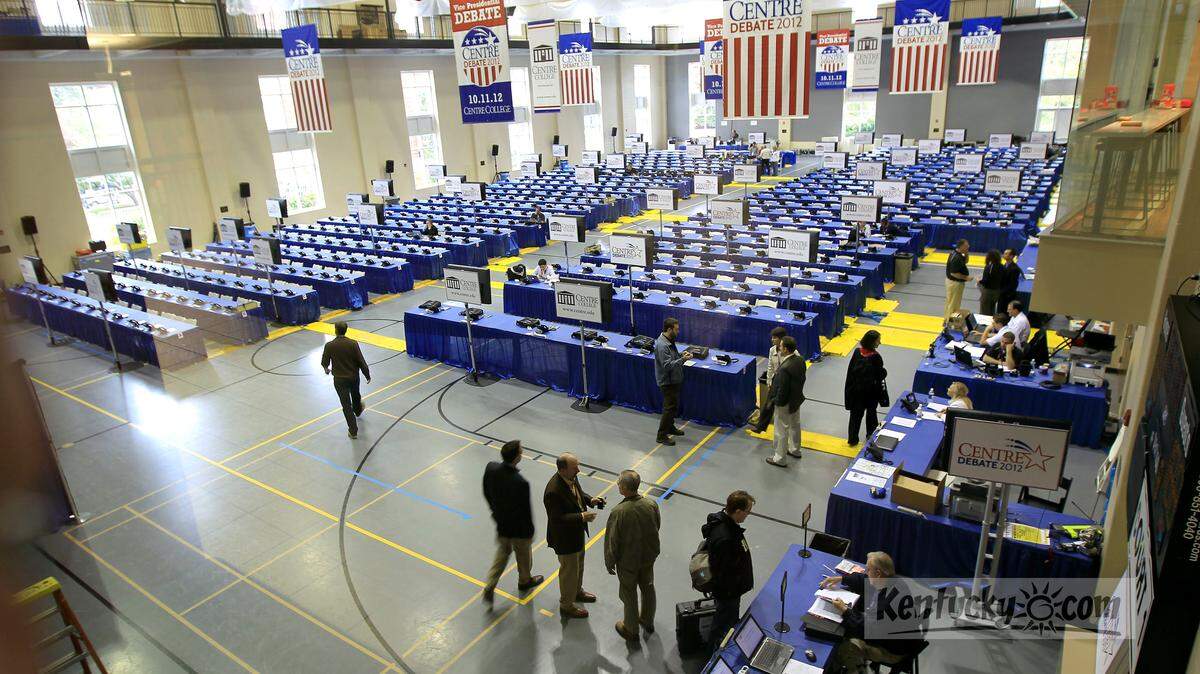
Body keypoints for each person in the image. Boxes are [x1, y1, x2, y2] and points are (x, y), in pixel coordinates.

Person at [819, 551, 924, 673]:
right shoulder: (893, 580)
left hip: (892, 650)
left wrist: (844, 610)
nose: (866, 572)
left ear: (878, 574)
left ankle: (857, 670)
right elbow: (865, 580)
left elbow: (867, 630)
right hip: (899, 637)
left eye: (868, 570)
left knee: (843, 647)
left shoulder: (887, 605)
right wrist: (841, 578)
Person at [481, 440, 545, 605]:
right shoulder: (520, 482)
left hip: (502, 525)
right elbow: (525, 511)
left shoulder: (491, 468)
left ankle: (490, 584)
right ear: (517, 457)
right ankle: (524, 581)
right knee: (524, 557)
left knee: (502, 553)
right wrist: (530, 531)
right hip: (519, 530)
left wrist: (494, 511)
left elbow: (486, 490)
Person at [544, 452, 605, 618]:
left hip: (576, 534)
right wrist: (581, 517)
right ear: (563, 470)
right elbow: (557, 519)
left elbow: (578, 494)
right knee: (569, 572)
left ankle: (577, 591)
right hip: (565, 539)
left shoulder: (570, 478)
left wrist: (590, 500)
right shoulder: (553, 491)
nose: (578, 470)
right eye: (574, 467)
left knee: (579, 566)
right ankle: (566, 605)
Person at [603, 470, 661, 641]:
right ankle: (647, 620)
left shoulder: (619, 511)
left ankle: (630, 628)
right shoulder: (651, 504)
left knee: (628, 593)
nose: (617, 485)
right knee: (648, 586)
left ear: (625, 488)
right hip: (648, 556)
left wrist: (609, 562)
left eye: (619, 483)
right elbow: (657, 525)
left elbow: (612, 541)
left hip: (628, 561)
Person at [703, 491, 756, 651]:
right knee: (722, 623)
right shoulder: (725, 537)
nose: (748, 515)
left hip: (732, 590)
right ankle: (713, 653)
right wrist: (735, 588)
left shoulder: (729, 526)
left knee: (726, 620)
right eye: (747, 512)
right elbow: (723, 572)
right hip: (728, 593)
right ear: (738, 511)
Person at [321, 321, 370, 439]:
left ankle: (353, 431)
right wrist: (367, 374)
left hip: (339, 380)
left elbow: (324, 362)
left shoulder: (329, 345)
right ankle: (358, 410)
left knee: (346, 405)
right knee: (356, 395)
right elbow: (361, 361)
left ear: (335, 330)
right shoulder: (353, 344)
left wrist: (326, 370)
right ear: (346, 330)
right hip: (353, 377)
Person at [766, 336, 806, 467]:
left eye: (781, 346)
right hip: (796, 399)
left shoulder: (784, 368)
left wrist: (777, 402)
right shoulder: (800, 360)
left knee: (781, 430)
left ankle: (780, 458)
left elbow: (782, 389)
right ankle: (795, 450)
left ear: (786, 349)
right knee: (795, 424)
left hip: (785, 403)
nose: (779, 348)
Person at [653, 318, 692, 446]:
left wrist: (681, 355)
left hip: (674, 379)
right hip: (667, 381)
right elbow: (667, 366)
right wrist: (683, 360)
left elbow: (672, 358)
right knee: (669, 408)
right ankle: (661, 435)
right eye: (676, 329)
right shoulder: (662, 345)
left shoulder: (669, 340)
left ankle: (670, 427)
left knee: (673, 406)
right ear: (669, 329)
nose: (678, 331)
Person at [845, 330, 887, 446]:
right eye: (878, 340)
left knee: (855, 416)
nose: (880, 343)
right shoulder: (876, 357)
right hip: (871, 393)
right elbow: (880, 375)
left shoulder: (857, 352)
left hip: (856, 391)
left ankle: (852, 439)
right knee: (871, 414)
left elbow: (850, 372)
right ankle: (871, 435)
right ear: (872, 342)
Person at [751, 327, 788, 433]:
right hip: (776, 379)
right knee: (769, 403)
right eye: (772, 338)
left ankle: (784, 428)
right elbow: (770, 366)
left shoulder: (790, 350)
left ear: (781, 339)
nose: (772, 340)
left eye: (774, 338)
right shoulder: (772, 350)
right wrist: (769, 381)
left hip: (786, 380)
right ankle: (760, 427)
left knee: (783, 406)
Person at [944, 239, 972, 323]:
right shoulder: (956, 257)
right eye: (967, 246)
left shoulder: (960, 254)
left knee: (953, 302)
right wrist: (966, 278)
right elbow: (954, 273)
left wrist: (966, 253)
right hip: (955, 283)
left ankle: (948, 319)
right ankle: (949, 322)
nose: (968, 247)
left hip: (955, 282)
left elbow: (966, 261)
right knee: (953, 304)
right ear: (962, 246)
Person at [977, 249, 1005, 315]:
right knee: (992, 310)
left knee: (984, 312)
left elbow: (986, 280)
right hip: (997, 291)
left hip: (988, 292)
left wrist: (979, 281)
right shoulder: (1002, 266)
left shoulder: (990, 267)